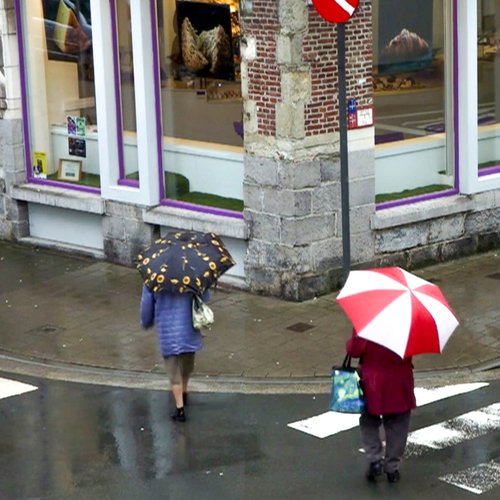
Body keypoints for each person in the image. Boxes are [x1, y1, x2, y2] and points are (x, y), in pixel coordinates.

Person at [346, 330, 416, 484]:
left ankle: (374, 459)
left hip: (372, 380)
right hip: (399, 381)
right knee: (398, 425)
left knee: (369, 420)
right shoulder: (409, 323)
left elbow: (354, 351)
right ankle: (392, 467)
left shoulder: (368, 320)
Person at [140, 286, 207, 422]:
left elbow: (146, 306)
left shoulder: (154, 278)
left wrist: (146, 322)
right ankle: (184, 392)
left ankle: (180, 409)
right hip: (188, 329)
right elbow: (205, 297)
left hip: (167, 331)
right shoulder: (191, 274)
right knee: (187, 365)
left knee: (173, 371)